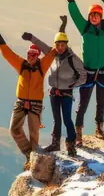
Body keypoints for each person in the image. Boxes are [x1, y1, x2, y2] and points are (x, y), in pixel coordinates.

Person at [21, 16, 86, 156]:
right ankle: (55, 144)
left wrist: (73, 85)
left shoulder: (73, 58)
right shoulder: (52, 54)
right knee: (57, 119)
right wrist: (31, 37)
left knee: (67, 119)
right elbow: (41, 44)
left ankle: (71, 145)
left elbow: (83, 75)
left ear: (67, 44)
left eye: (63, 45)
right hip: (54, 92)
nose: (60, 47)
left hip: (66, 93)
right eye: (58, 45)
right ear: (55, 45)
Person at [0, 23, 56, 159]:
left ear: (37, 56)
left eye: (33, 54)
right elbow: (7, 53)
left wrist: (62, 28)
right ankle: (29, 154)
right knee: (14, 129)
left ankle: (34, 157)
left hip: (35, 104)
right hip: (21, 102)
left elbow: (54, 52)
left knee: (34, 134)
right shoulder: (21, 65)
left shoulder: (42, 66)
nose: (30, 56)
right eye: (29, 54)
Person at [66, 0, 104, 143]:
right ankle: (78, 131)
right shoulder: (85, 28)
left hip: (102, 72)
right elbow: (75, 16)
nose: (94, 17)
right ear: (89, 17)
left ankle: (99, 128)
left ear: (101, 17)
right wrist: (71, 2)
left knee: (101, 102)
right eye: (92, 15)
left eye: (97, 15)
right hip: (88, 72)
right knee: (84, 103)